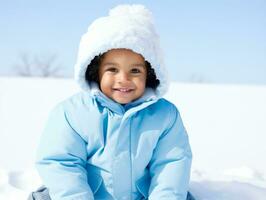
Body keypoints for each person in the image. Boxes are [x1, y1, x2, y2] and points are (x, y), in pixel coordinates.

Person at [32, 4, 194, 200]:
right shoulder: (72, 112)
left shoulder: (165, 115)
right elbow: (61, 162)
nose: (123, 79)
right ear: (96, 71)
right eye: (112, 69)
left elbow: (172, 163)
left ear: (150, 73)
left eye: (135, 70)